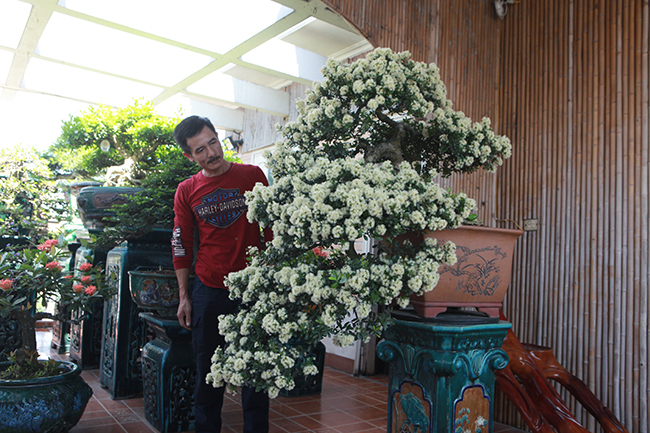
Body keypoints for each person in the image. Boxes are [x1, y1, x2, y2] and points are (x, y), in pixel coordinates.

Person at [171, 115, 271, 433]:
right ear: (189, 156)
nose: (211, 153)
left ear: (219, 137)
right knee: (208, 374)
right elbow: (182, 243)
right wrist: (185, 297)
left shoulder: (252, 175)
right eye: (200, 150)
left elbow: (270, 229)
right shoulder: (187, 190)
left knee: (256, 374)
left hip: (253, 289)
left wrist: (272, 281)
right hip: (209, 290)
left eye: (213, 142)